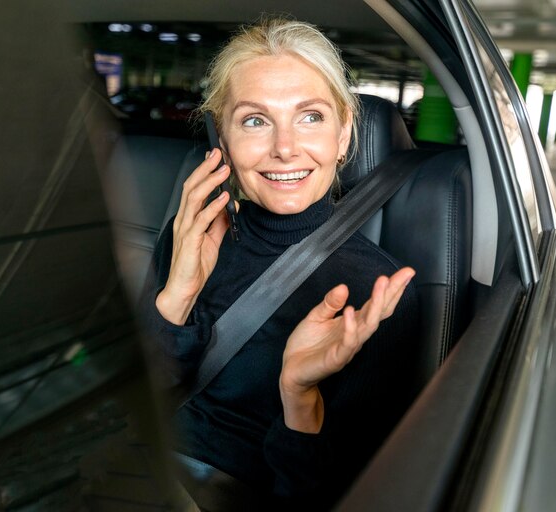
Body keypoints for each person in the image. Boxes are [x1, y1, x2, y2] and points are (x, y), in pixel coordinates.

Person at [140, 17, 419, 511]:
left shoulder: (378, 293)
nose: (285, 148)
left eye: (310, 116)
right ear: (222, 138)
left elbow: (336, 497)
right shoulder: (190, 235)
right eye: (255, 120)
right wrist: (176, 301)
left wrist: (299, 395)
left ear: (343, 134)